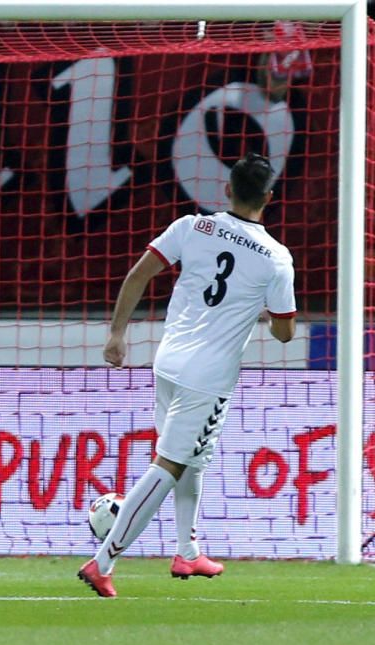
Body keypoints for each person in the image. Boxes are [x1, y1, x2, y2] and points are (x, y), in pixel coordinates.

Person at [79, 153, 297, 598]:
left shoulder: (191, 226)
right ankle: (103, 562)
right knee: (170, 465)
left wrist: (117, 335)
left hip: (170, 361)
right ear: (269, 198)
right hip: (209, 376)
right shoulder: (276, 258)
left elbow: (139, 274)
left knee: (191, 458)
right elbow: (284, 332)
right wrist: (267, 311)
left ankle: (187, 550)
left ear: (228, 190)